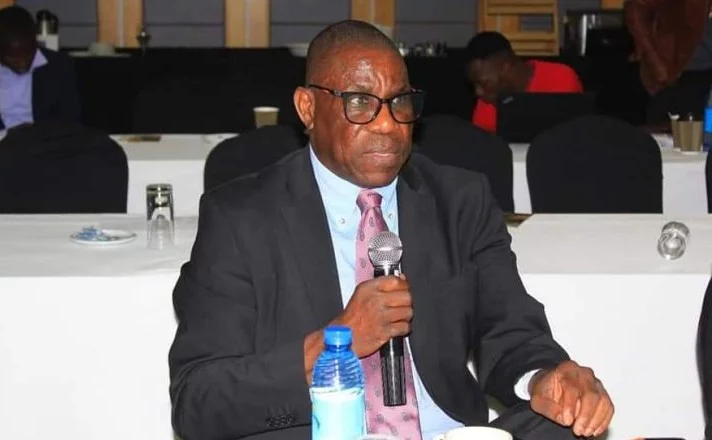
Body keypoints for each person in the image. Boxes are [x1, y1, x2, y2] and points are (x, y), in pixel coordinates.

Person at [169, 20, 613, 440]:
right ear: (308, 108)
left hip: (444, 432)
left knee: (566, 425)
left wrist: (545, 377)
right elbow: (198, 401)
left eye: (400, 102)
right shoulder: (242, 217)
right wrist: (334, 347)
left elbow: (509, 328)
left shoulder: (459, 200)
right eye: (360, 102)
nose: (388, 124)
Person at [0, 5, 80, 134]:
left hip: (44, 142)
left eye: (29, 54)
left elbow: (70, 121)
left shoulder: (61, 67)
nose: (22, 64)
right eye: (13, 59)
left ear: (35, 41)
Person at [465, 32, 583, 133]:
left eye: (485, 83)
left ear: (506, 66)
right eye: (474, 85)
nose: (478, 92)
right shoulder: (487, 102)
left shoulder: (560, 78)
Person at [625, 0, 712, 125]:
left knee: (707, 132)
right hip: (681, 76)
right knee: (676, 134)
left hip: (704, 81)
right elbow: (635, 10)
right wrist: (656, 63)